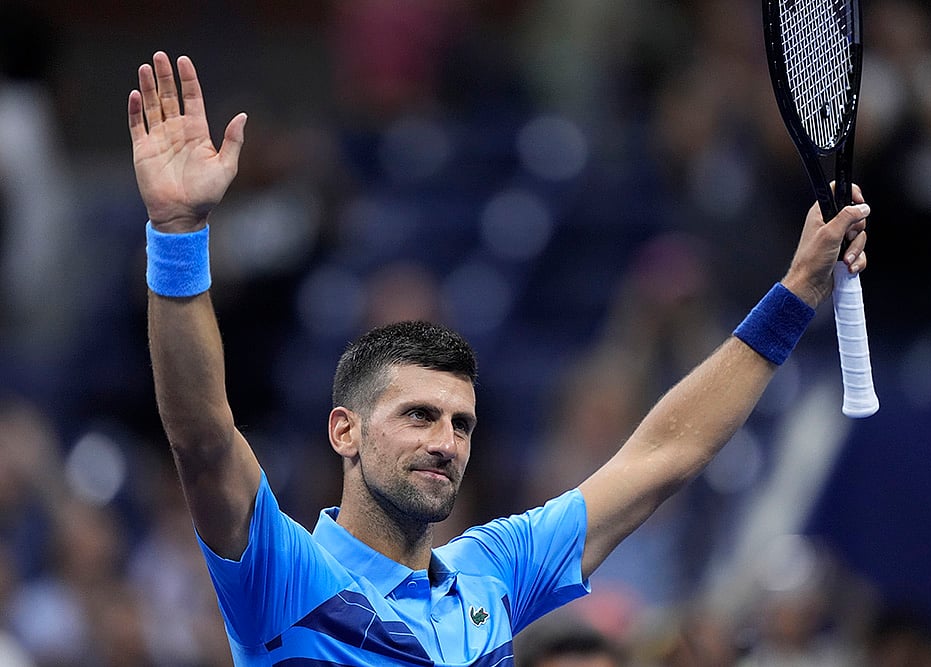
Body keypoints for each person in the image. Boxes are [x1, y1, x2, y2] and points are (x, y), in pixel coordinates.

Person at [127, 51, 870, 666]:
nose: (445, 441)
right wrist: (179, 232)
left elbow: (663, 455)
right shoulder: (283, 574)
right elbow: (202, 435)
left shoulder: (495, 571)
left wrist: (796, 291)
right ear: (343, 429)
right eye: (419, 415)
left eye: (461, 423)